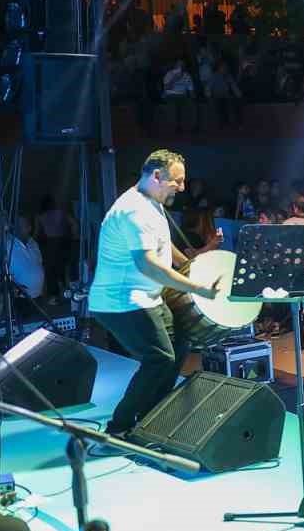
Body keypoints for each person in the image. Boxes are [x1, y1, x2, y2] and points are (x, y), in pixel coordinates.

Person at [88, 150, 224, 440]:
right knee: (160, 358)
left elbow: (163, 247)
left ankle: (152, 417)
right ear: (157, 176)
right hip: (121, 301)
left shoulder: (153, 202)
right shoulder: (134, 210)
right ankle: (120, 426)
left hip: (147, 296)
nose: (183, 187)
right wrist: (197, 288)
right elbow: (147, 264)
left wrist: (191, 266)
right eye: (178, 180)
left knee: (180, 347)